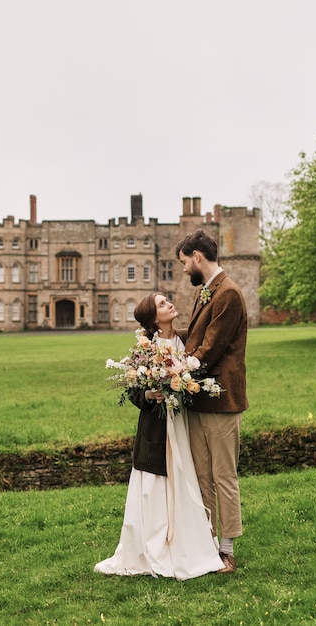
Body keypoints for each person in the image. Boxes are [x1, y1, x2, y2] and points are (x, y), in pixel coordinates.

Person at [94, 293, 224, 580]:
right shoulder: (145, 348)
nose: (170, 304)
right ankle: (156, 545)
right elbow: (132, 388)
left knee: (187, 477)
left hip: (183, 423)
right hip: (155, 429)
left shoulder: (185, 339)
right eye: (163, 304)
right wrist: (149, 394)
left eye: (168, 301)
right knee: (155, 484)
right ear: (153, 318)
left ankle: (189, 541)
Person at [175, 229, 249, 574]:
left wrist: (176, 375)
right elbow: (194, 339)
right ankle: (206, 546)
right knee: (202, 476)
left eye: (184, 262)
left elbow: (210, 349)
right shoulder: (206, 292)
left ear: (197, 257)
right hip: (198, 400)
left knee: (223, 477)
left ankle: (227, 550)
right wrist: (159, 339)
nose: (184, 269)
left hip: (222, 400)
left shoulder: (229, 293)